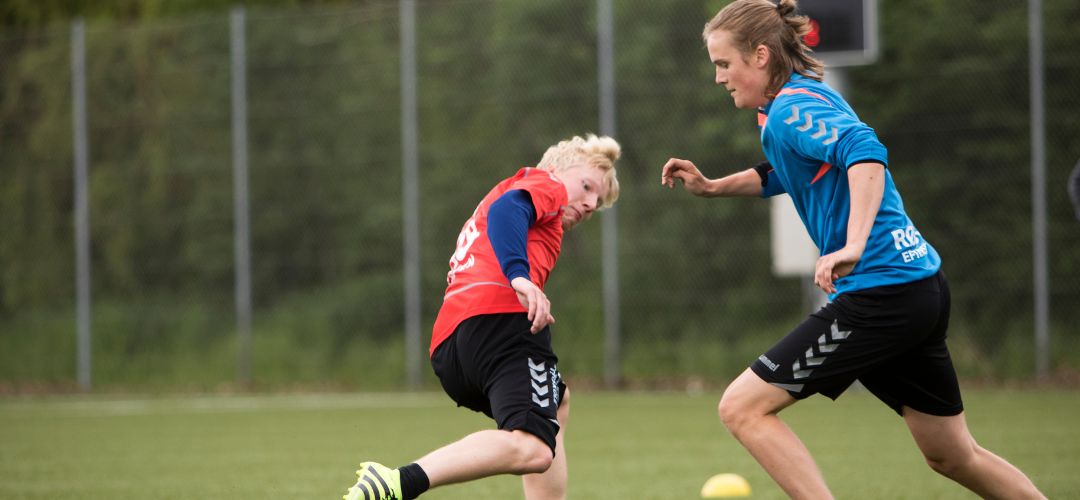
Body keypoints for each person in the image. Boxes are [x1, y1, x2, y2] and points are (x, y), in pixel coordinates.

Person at [660, 1, 1045, 498]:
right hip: (918, 286)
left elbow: (865, 152)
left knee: (741, 407)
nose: (718, 78)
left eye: (723, 64)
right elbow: (788, 169)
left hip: (881, 292)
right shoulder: (788, 106)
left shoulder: (794, 109)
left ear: (759, 56)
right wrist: (713, 187)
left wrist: (855, 243)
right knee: (952, 454)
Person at [342, 134, 621, 500]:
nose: (588, 203)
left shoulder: (505, 197)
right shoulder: (546, 183)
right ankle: (396, 483)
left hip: (452, 346)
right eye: (586, 187)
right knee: (534, 448)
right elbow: (510, 210)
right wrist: (520, 277)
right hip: (502, 324)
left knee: (556, 402)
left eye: (597, 202)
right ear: (556, 169)